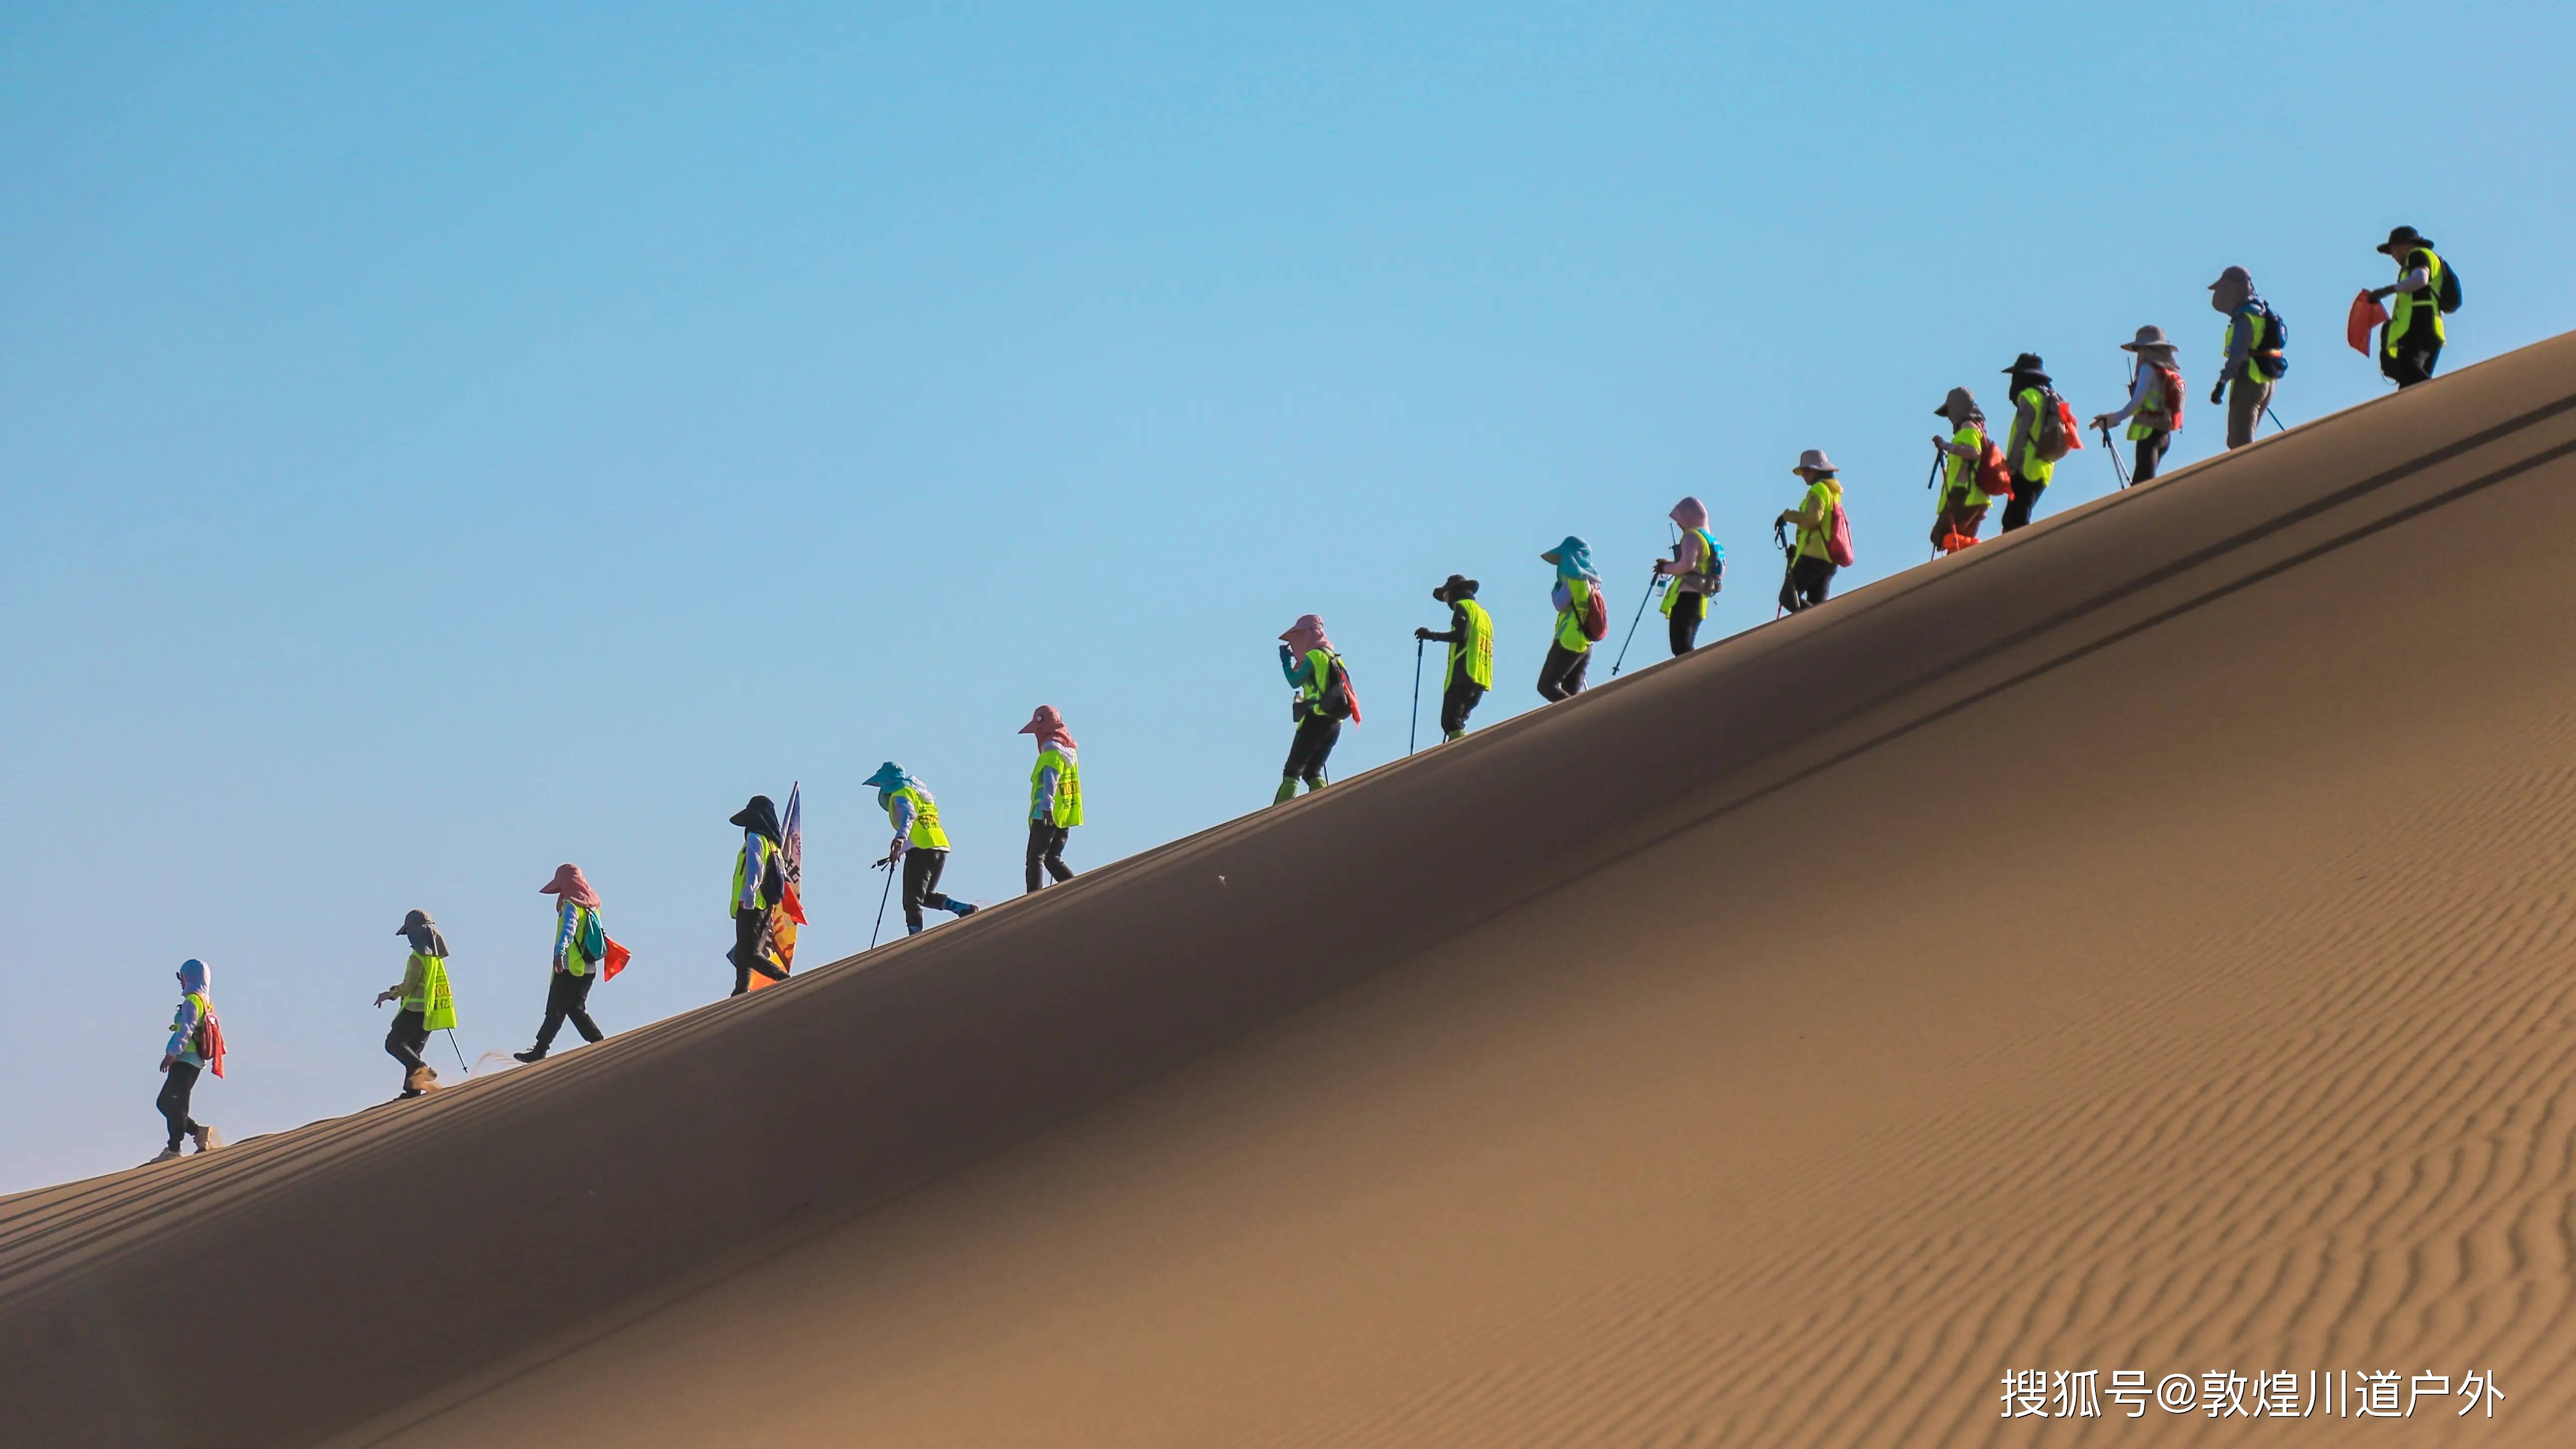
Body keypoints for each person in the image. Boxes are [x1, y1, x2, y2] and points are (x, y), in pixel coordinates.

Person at [866, 762, 979, 933]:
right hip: (939, 846)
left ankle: (916, 938)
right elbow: (920, 824)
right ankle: (962, 909)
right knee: (924, 896)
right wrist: (900, 851)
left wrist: (900, 839)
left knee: (912, 901)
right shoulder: (920, 794)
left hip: (922, 849)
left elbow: (909, 816)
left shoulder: (901, 794)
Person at [515, 864, 608, 1063]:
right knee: (575, 1008)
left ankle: (540, 1050)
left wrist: (560, 952)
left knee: (555, 1010)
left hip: (568, 968)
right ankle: (598, 1041)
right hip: (589, 968)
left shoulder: (571, 906)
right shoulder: (593, 906)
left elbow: (569, 929)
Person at [2090, 326, 2187, 485]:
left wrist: (2113, 419)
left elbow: (2137, 403)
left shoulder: (2148, 369)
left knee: (2142, 486)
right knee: (2145, 482)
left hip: (2149, 433)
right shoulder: (2166, 370)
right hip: (2164, 435)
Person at [375, 909, 455, 1098]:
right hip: (429, 1011)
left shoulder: (417, 959)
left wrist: (390, 993)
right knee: (413, 1050)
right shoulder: (436, 959)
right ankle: (412, 1091)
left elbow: (409, 986)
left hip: (414, 1010)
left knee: (394, 1043)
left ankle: (422, 1070)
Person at [150, 958, 222, 1163]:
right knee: (166, 1102)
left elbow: (187, 1029)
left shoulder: (193, 1000)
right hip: (192, 1060)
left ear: (191, 977)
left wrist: (172, 1053)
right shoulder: (206, 1001)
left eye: (182, 976)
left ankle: (174, 1149)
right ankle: (199, 1132)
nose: (180, 981)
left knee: (175, 1104)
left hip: (185, 1060)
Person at [1275, 614, 1352, 802]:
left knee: (1292, 771)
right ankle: (1328, 806)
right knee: (1312, 772)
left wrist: (1286, 662)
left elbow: (1295, 682)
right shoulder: (1334, 657)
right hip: (1335, 723)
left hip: (1315, 720)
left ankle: (1277, 816)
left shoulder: (1314, 656)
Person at [2208, 265, 2284, 449]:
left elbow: (2238, 354)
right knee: (2243, 436)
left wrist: (2222, 383)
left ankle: (2249, 475)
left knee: (2240, 441)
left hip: (2248, 379)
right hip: (2266, 380)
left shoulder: (2245, 316)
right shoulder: (2261, 312)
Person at [1414, 575, 1494, 741]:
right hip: (1481, 677)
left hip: (1463, 674)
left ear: (1453, 593)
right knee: (1458, 720)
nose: (1446, 601)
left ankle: (1461, 752)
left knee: (1450, 722)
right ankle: (1459, 748)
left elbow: (1460, 635)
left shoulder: (1462, 606)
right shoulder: (1484, 615)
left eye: (1446, 596)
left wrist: (1431, 635)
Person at [2369, 225, 2449, 388]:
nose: (2393, 256)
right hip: (2429, 328)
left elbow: (2420, 280)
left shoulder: (2417, 255)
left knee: (2411, 372)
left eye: (2393, 250)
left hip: (2420, 326)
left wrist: (2387, 290)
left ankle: (2448, 398)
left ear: (2404, 245)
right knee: (2410, 384)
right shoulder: (2425, 258)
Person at [727, 794, 788, 996]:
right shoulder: (775, 846)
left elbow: (755, 870)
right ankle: (740, 991)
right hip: (765, 906)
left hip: (751, 904)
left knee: (750, 953)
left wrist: (749, 898)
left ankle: (783, 979)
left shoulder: (756, 840)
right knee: (744, 953)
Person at [1651, 498, 1724, 656]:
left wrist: (1666, 568)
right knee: (1685, 646)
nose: (1678, 523)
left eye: (1681, 517)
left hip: (1686, 598)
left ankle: (1699, 676)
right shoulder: (1711, 540)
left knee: (1681, 648)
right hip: (1701, 601)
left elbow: (1686, 566)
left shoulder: (1692, 536)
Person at [1020, 705, 1082, 893]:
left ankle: (1033, 898)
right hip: (1064, 814)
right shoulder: (1069, 751)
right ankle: (1077, 888)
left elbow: (1051, 781)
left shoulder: (1052, 752)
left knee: (1035, 858)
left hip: (1046, 814)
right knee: (1052, 858)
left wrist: (1047, 806)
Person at [1775, 451, 1844, 612]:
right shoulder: (1832, 492)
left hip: (1814, 556)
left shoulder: (1819, 490)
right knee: (1817, 605)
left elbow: (1812, 519)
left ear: (1815, 471)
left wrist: (1788, 516)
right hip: (1828, 559)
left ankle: (1821, 622)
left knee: (1788, 598)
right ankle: (1823, 627)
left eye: (1806, 471)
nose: (1803, 475)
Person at [1536, 537, 1600, 702]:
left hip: (1568, 639)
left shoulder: (1574, 578)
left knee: (1547, 686)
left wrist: (1556, 589)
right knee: (1571, 692)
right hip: (1585, 643)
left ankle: (1580, 715)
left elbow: (1559, 603)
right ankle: (1582, 720)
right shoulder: (1592, 581)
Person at [1999, 354, 2058, 531]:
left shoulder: (2028, 396)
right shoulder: (2046, 396)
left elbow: (2023, 433)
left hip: (2025, 467)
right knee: (2015, 516)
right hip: (2044, 467)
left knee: (2015, 523)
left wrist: (2011, 465)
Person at [1929, 389, 1993, 552]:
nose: (1950, 417)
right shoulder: (1978, 428)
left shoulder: (1968, 428)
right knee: (1960, 545)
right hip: (1978, 498)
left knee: (1939, 537)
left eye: (1950, 412)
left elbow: (1974, 452)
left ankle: (1973, 547)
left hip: (1964, 496)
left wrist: (1946, 445)